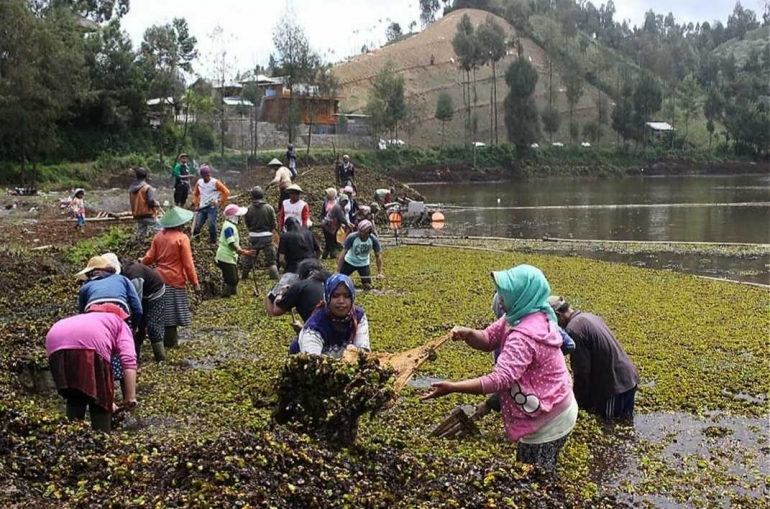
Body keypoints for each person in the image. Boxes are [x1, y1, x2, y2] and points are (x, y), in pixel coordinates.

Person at [422, 265, 578, 473]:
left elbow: (499, 380)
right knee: (537, 470)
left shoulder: (524, 336)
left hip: (551, 418)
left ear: (521, 295)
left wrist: (452, 387)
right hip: (556, 401)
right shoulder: (526, 312)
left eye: (504, 296)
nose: (500, 301)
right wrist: (468, 333)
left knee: (533, 475)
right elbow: (488, 339)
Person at [548, 296, 640, 419]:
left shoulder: (574, 330)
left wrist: (578, 405)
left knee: (610, 426)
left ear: (558, 315)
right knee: (625, 423)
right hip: (627, 377)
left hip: (615, 386)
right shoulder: (589, 317)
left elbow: (582, 372)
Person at [46, 309, 137, 432]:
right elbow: (129, 361)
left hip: (55, 339)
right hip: (90, 342)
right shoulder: (122, 325)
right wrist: (130, 397)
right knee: (100, 402)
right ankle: (103, 438)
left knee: (75, 393)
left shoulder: (94, 319)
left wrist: (111, 401)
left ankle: (71, 435)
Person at [141, 207, 200, 348]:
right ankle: (170, 344)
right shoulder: (182, 238)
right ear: (180, 224)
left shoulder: (159, 236)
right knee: (171, 315)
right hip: (175, 280)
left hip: (158, 279)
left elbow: (150, 257)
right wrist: (195, 283)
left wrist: (139, 264)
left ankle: (162, 341)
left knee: (161, 312)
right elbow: (188, 265)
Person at [293, 274, 371, 358]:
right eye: (335, 296)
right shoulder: (314, 327)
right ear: (327, 298)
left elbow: (363, 353)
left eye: (347, 296)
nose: (341, 301)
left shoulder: (358, 316)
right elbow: (312, 361)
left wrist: (355, 353)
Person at [115, 256, 168, 362]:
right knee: (139, 326)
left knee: (153, 324)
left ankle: (161, 358)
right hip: (142, 295)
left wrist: (134, 322)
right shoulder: (122, 274)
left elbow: (136, 304)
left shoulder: (134, 275)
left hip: (155, 293)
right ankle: (135, 356)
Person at [265, 258, 329, 338]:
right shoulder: (332, 281)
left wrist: (281, 293)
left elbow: (275, 311)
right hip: (343, 328)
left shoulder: (299, 287)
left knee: (294, 348)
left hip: (319, 334)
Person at [77, 255, 143, 329]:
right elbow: (137, 309)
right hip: (119, 309)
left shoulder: (86, 286)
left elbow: (81, 315)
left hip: (94, 312)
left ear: (90, 274)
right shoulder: (122, 279)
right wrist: (132, 328)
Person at [242, 186, 279, 282]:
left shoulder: (248, 209)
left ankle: (244, 276)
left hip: (253, 237)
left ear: (252, 196)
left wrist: (252, 231)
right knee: (271, 261)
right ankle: (274, 277)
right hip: (267, 237)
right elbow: (274, 224)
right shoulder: (269, 208)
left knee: (249, 258)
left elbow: (247, 223)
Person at [216, 204, 252, 297]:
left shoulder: (230, 225)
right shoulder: (228, 227)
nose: (239, 218)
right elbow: (230, 242)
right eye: (238, 216)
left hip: (230, 256)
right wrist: (242, 251)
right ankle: (225, 296)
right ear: (234, 217)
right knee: (232, 279)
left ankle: (232, 293)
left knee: (235, 277)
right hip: (225, 256)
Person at [337, 220, 383, 290]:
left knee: (368, 286)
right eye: (359, 230)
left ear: (368, 233)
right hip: (349, 262)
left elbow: (378, 255)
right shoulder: (352, 237)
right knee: (339, 282)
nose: (359, 232)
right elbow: (343, 253)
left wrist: (379, 272)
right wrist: (338, 271)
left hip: (363, 264)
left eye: (362, 231)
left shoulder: (373, 239)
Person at [192, 165, 230, 246]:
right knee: (197, 226)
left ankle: (213, 242)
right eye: (204, 176)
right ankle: (196, 241)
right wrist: (196, 204)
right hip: (202, 207)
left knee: (212, 225)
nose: (206, 177)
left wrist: (220, 202)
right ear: (202, 176)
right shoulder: (199, 182)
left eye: (208, 175)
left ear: (210, 174)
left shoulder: (215, 182)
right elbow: (195, 194)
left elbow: (226, 192)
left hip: (212, 207)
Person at [129, 167, 161, 238]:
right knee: (160, 229)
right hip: (147, 214)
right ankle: (161, 244)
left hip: (137, 215)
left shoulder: (132, 188)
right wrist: (156, 204)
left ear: (136, 176)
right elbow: (150, 201)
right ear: (146, 176)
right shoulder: (147, 187)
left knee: (141, 233)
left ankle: (140, 245)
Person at [322, 193, 352, 259]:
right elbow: (342, 218)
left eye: (346, 202)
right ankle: (333, 254)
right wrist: (348, 225)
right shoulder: (338, 207)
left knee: (328, 241)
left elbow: (342, 218)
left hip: (331, 225)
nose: (344, 203)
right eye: (343, 201)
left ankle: (325, 255)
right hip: (328, 225)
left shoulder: (341, 208)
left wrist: (348, 224)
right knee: (331, 241)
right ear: (340, 200)